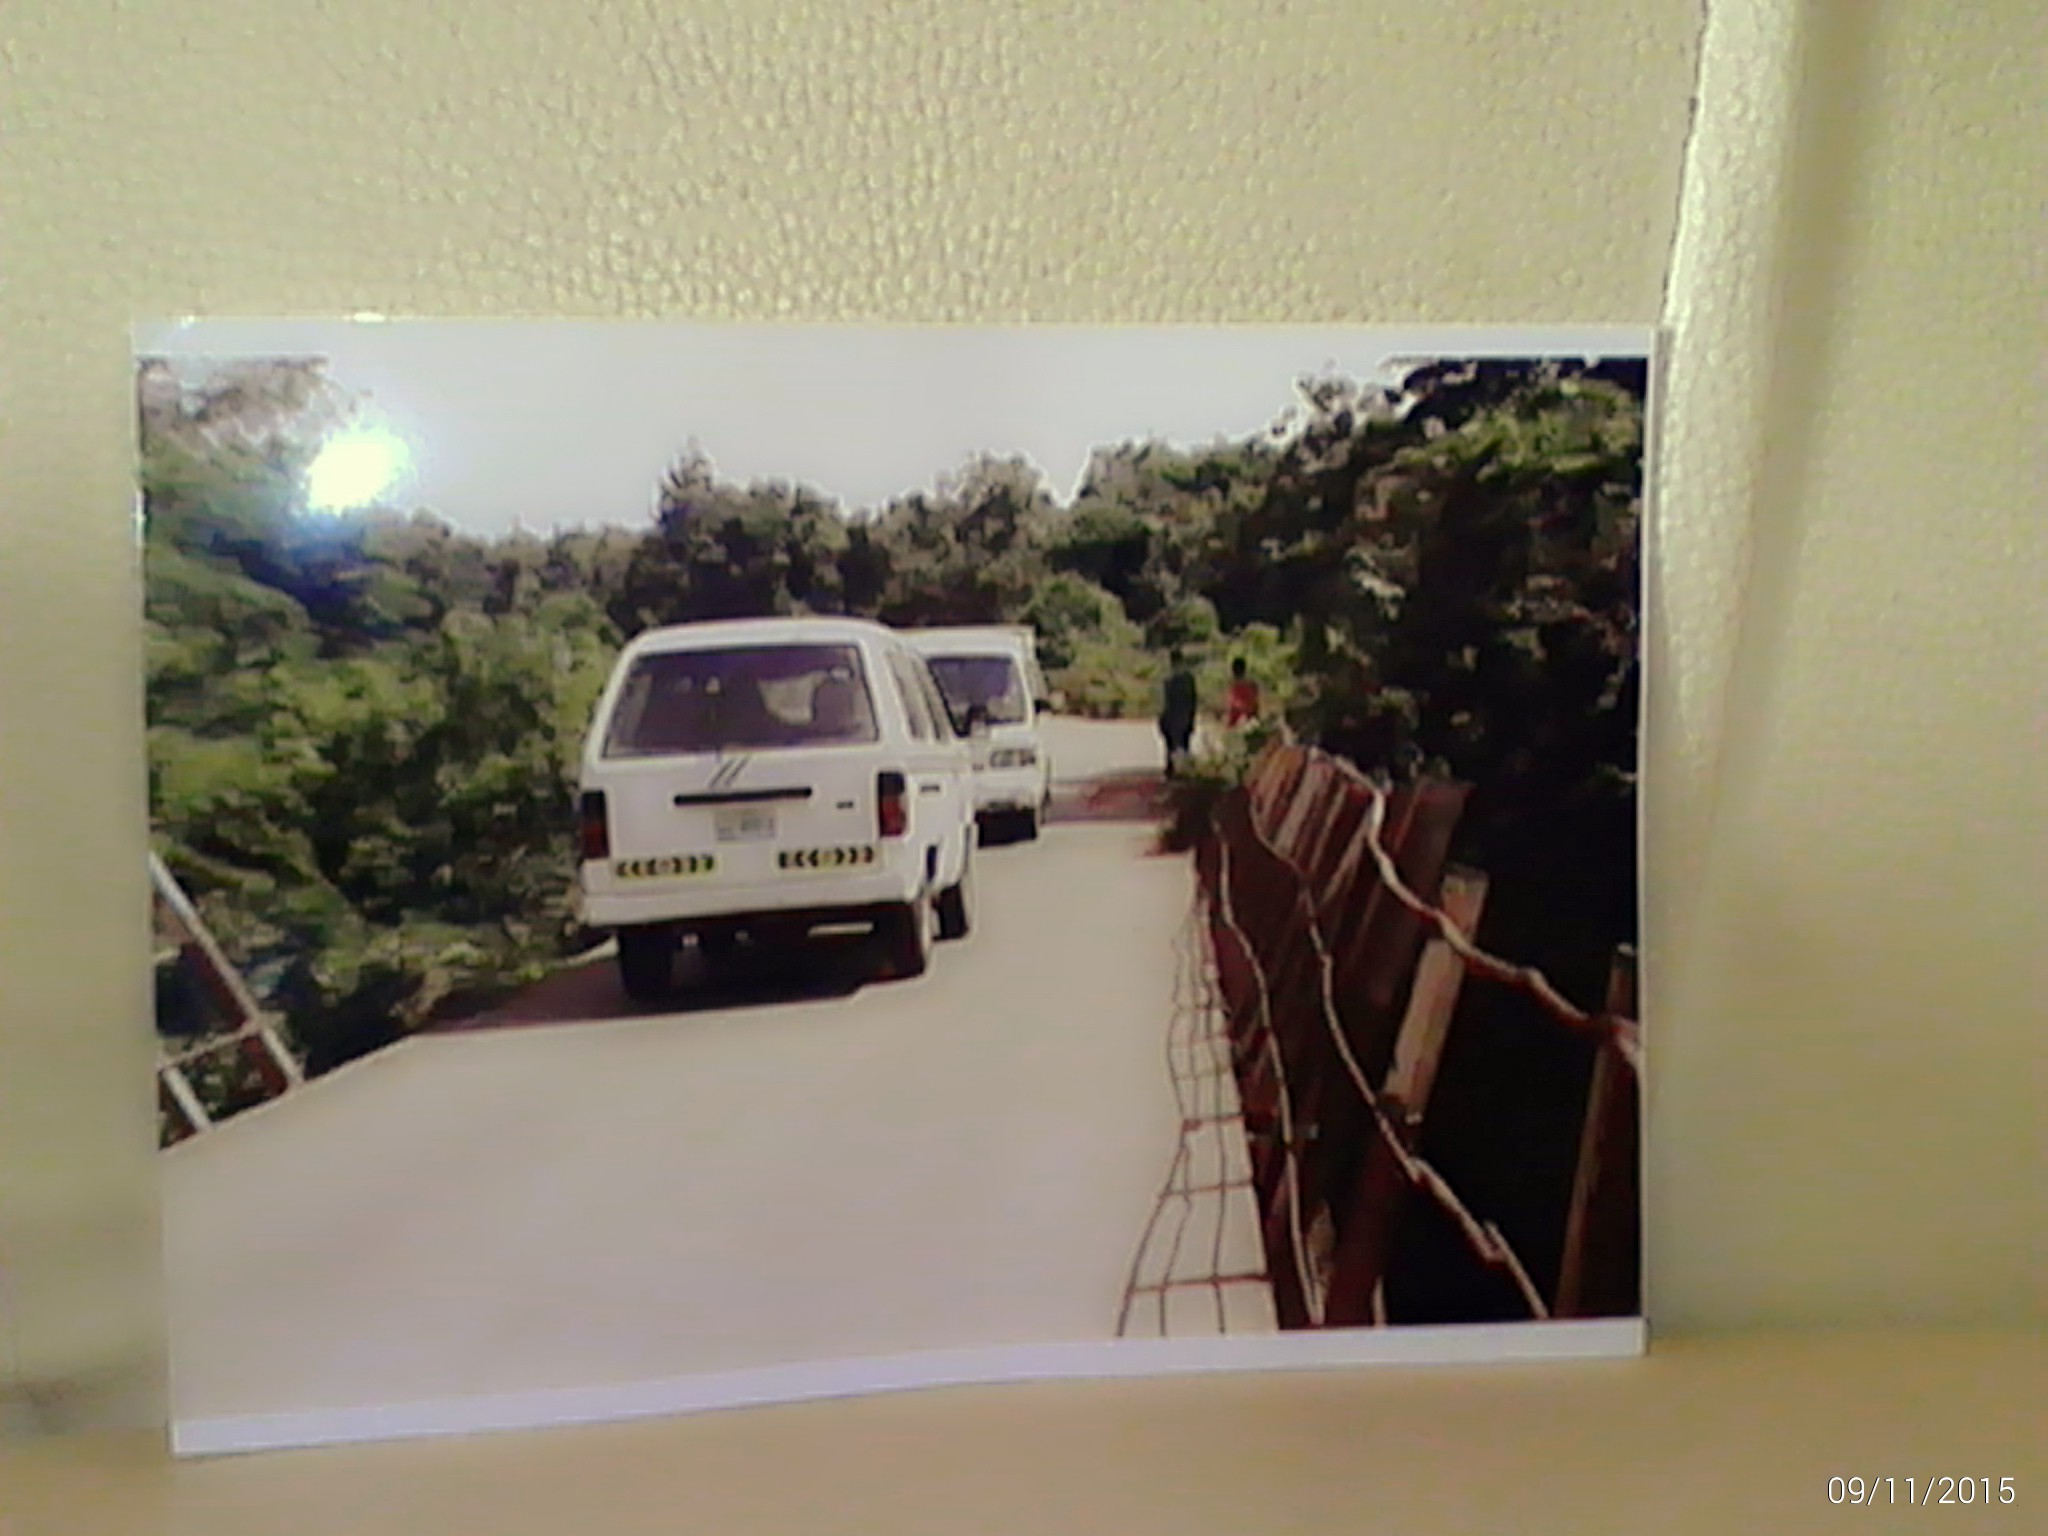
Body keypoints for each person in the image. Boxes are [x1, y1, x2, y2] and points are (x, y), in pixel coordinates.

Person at [1158, 648, 1198, 776]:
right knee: (1184, 745)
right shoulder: (1188, 678)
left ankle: (1172, 769)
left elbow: (1165, 701)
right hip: (1184, 715)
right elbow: (1193, 699)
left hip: (1172, 716)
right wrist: (1192, 717)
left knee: (1171, 747)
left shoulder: (1168, 679)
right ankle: (1183, 770)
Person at [1225, 656, 1261, 727]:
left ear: (1233, 671)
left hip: (1236, 723)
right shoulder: (1253, 685)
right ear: (1245, 670)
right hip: (1252, 721)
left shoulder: (1232, 687)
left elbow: (1232, 707)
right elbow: (1256, 705)